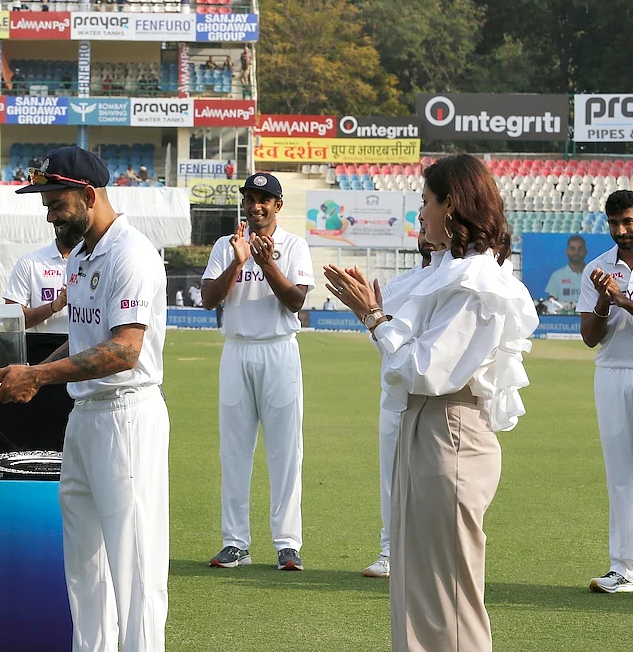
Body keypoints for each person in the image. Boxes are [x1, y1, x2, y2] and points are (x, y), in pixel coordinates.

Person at [325, 152, 537, 652]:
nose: (420, 212)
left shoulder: (476, 285)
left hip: (451, 431)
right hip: (426, 427)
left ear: (452, 204)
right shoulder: (449, 271)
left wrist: (375, 319)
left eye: (426, 201)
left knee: (449, 593)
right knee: (415, 582)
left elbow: (424, 369)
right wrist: (377, 316)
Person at [0, 146, 169, 652]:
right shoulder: (82, 255)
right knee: (84, 562)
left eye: (55, 202)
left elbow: (124, 350)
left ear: (88, 196)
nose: (48, 213)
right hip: (85, 415)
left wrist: (38, 378)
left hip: (127, 415)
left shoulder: (131, 254)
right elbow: (88, 339)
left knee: (135, 565)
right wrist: (31, 371)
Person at [201, 172, 313, 571]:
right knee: (233, 451)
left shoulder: (295, 246)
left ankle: (287, 544)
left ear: (278, 205)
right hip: (237, 350)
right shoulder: (225, 246)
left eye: (264, 199)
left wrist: (267, 265)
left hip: (279, 350)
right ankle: (235, 543)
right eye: (249, 198)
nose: (255, 206)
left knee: (285, 451)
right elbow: (208, 299)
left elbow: (295, 302)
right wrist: (238, 260)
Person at [578, 190, 633, 598]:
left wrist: (622, 300)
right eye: (614, 223)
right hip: (611, 374)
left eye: (628, 222)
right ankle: (622, 570)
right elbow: (589, 338)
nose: (621, 231)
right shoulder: (597, 269)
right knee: (620, 477)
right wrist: (602, 298)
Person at [362, 226, 436, 580]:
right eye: (420, 228)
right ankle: (389, 551)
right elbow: (384, 347)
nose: (425, 233)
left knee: (435, 483)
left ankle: (429, 556)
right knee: (391, 479)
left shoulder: (452, 281)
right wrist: (371, 316)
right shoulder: (399, 285)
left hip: (436, 398)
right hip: (395, 396)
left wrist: (379, 322)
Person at [3, 210, 82, 334]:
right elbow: (11, 323)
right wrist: (53, 306)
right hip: (43, 348)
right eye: (62, 225)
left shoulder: (100, 261)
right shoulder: (30, 263)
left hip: (87, 350)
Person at [545, 235, 587, 310]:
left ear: (585, 251)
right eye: (572, 249)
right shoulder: (557, 276)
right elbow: (551, 303)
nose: (576, 252)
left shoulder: (593, 275)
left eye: (580, 249)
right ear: (567, 251)